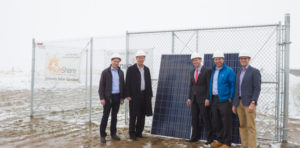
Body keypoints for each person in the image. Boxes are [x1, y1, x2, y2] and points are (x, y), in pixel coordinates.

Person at [232, 50, 261, 148]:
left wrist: (253, 102)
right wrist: (234, 104)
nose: (243, 60)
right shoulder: (239, 72)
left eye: (245, 58)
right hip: (239, 103)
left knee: (250, 127)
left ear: (249, 59)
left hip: (249, 104)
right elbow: (237, 89)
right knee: (242, 126)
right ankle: (244, 146)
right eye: (241, 58)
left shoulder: (254, 72)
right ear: (239, 60)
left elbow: (257, 88)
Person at [186, 52, 213, 146]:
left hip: (203, 100)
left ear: (200, 60)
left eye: (196, 59)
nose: (195, 61)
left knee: (206, 119)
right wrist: (189, 97)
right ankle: (194, 137)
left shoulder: (207, 71)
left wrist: (207, 98)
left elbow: (209, 85)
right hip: (194, 99)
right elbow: (191, 86)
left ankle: (209, 138)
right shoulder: (192, 71)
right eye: (193, 60)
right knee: (194, 119)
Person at [209, 51, 235, 148]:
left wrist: (230, 98)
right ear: (214, 60)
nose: (218, 60)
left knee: (226, 122)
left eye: (220, 58)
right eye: (216, 59)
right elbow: (211, 85)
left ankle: (227, 143)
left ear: (223, 59)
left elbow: (233, 85)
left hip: (225, 100)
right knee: (217, 121)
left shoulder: (229, 71)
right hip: (215, 99)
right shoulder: (213, 71)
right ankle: (220, 140)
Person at [126, 50, 153, 140]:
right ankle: (132, 133)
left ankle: (139, 133)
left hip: (144, 95)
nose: (141, 59)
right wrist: (128, 95)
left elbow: (149, 83)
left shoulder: (147, 69)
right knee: (133, 115)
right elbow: (127, 83)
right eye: (139, 58)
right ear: (136, 59)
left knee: (142, 115)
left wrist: (150, 94)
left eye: (142, 58)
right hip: (134, 96)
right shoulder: (131, 69)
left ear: (144, 59)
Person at [98, 53, 125, 143]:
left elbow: (123, 86)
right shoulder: (105, 72)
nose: (116, 63)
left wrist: (122, 98)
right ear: (111, 61)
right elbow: (101, 86)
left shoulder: (121, 72)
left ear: (119, 62)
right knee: (105, 116)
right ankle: (102, 135)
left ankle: (113, 134)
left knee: (114, 117)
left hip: (117, 97)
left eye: (118, 61)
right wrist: (102, 98)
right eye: (114, 61)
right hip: (108, 98)